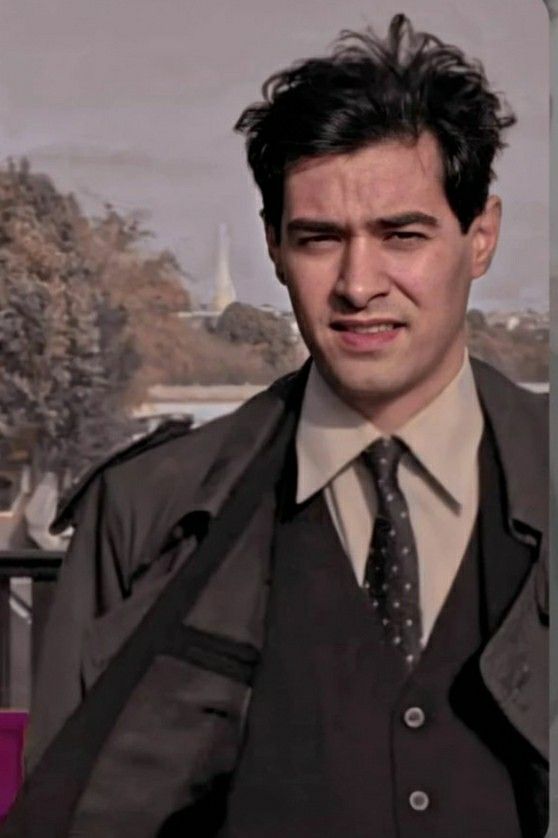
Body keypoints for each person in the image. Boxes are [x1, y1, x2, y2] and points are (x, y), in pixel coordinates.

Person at [6, 13, 547, 838]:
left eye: (402, 235)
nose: (359, 283)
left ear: (481, 238)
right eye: (320, 239)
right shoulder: (144, 514)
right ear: (272, 248)